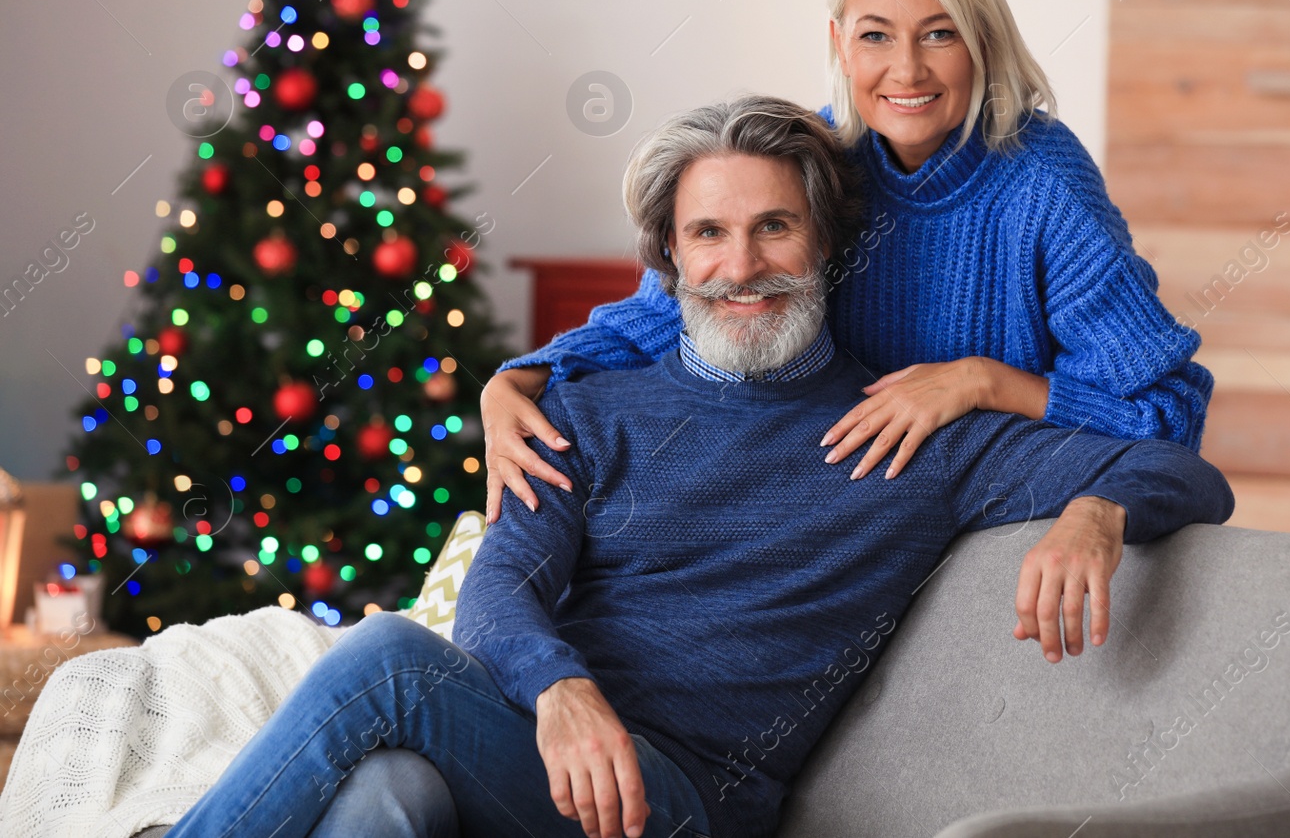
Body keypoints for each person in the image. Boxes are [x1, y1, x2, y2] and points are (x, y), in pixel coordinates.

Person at [163, 97, 1232, 838]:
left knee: (387, 657)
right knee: (386, 798)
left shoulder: (914, 432)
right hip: (539, 753)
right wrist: (564, 688)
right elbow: (500, 585)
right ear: (670, 259)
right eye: (709, 233)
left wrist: (1096, 509)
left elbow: (1186, 472)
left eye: (774, 226)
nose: (742, 264)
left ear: (824, 242)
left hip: (677, 800)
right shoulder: (586, 404)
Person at [480, 0, 1213, 524]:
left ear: (983, 41)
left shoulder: (1044, 184)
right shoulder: (815, 154)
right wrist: (514, 382)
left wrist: (983, 381)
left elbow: (1166, 412)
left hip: (993, 520)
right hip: (837, 509)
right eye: (875, 36)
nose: (906, 71)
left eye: (939, 34)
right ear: (839, 44)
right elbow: (671, 306)